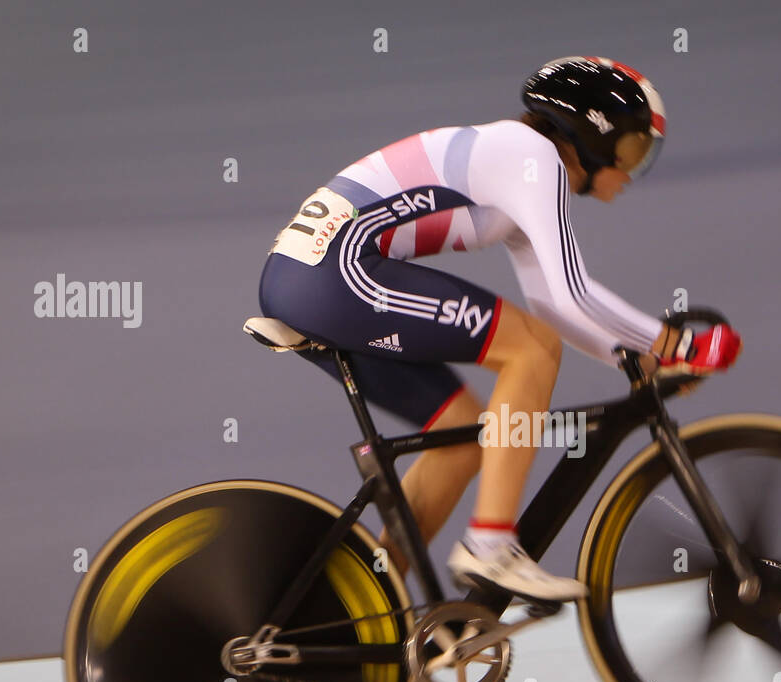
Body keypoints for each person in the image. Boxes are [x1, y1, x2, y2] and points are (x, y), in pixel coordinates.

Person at [257, 56, 740, 603]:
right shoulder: (532, 157)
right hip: (334, 273)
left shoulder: (517, 165)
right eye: (630, 150)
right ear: (592, 132)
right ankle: (490, 546)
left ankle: (359, 606)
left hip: (311, 276)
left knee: (461, 436)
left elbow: (551, 301)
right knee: (532, 351)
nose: (630, 172)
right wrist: (674, 343)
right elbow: (571, 293)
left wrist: (638, 358)